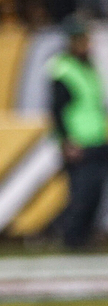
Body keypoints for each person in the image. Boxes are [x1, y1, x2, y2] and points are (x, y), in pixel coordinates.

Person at [49, 18, 108, 248]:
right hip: (79, 141)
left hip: (97, 138)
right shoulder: (63, 68)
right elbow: (56, 109)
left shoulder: (87, 66)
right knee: (82, 195)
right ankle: (72, 239)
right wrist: (66, 141)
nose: (86, 43)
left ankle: (83, 238)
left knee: (95, 194)